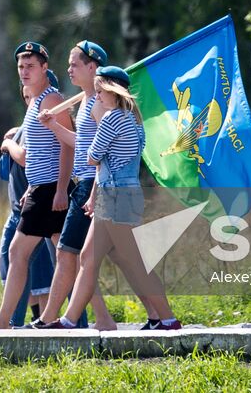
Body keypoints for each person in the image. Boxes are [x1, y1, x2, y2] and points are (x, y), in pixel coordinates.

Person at [46, 65, 180, 331]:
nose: (96, 97)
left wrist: (96, 119)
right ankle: (69, 320)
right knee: (88, 258)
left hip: (117, 196)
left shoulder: (111, 118)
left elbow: (91, 157)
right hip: (116, 193)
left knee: (135, 262)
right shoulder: (132, 119)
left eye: (99, 92)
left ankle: (168, 319)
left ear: (112, 90)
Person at [0, 41, 73, 330]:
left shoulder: (52, 100)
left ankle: (8, 320)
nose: (24, 71)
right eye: (20, 67)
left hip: (51, 190)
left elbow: (68, 146)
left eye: (30, 66)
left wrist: (62, 188)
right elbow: (40, 150)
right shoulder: (35, 101)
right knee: (69, 257)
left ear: (44, 68)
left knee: (19, 253)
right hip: (40, 188)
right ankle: (72, 318)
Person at [32, 41, 113, 328]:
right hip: (88, 183)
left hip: (91, 184)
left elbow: (96, 151)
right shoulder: (88, 101)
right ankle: (104, 319)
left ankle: (48, 318)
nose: (68, 70)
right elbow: (85, 146)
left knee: (67, 251)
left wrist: (54, 127)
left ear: (93, 67)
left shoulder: (99, 104)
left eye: (74, 64)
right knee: (83, 257)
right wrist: (55, 126)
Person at [0, 102, 57, 326]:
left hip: (36, 205)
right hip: (21, 206)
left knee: (55, 264)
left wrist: (9, 143)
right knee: (13, 260)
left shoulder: (45, 121)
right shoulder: (27, 125)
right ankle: (25, 319)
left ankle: (29, 320)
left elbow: (27, 157)